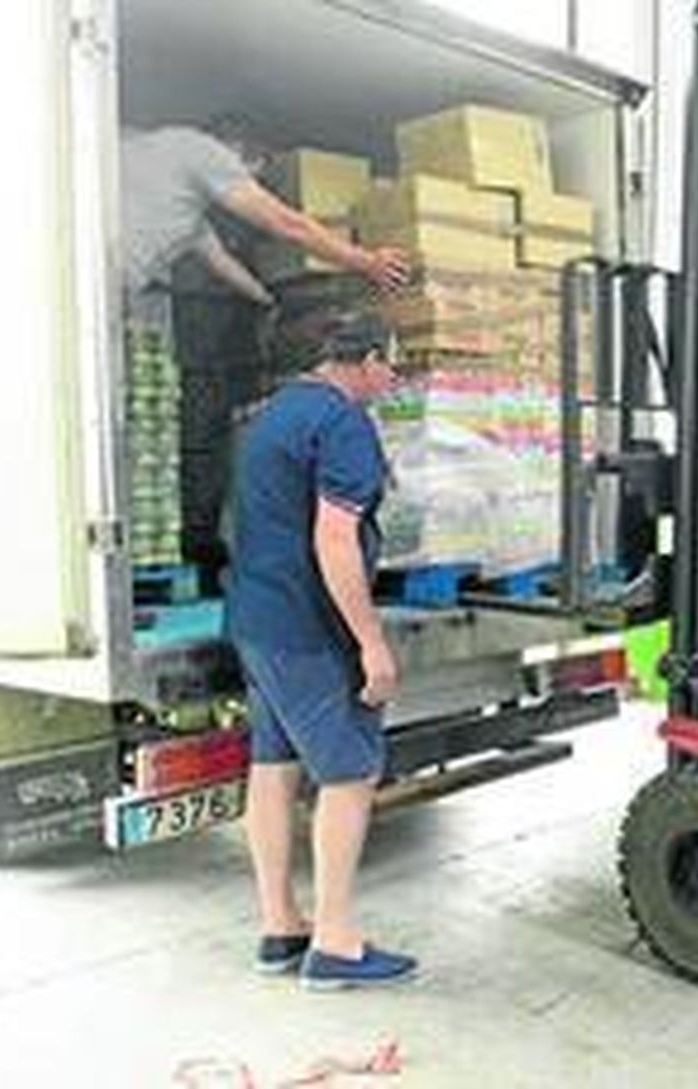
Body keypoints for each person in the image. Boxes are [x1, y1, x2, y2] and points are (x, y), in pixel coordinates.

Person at [225, 309, 415, 989]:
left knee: (273, 766)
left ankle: (281, 926)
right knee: (351, 772)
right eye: (392, 365)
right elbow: (335, 541)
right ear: (367, 360)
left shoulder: (271, 415)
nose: (393, 379)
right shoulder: (343, 424)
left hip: (256, 618)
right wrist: (372, 643)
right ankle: (334, 941)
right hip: (309, 629)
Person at [121, 116, 408, 308]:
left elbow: (225, 265)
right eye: (252, 177)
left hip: (113, 283)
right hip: (108, 271)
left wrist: (271, 302)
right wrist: (368, 262)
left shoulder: (188, 215)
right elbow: (286, 224)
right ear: (239, 150)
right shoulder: (205, 151)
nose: (249, 184)